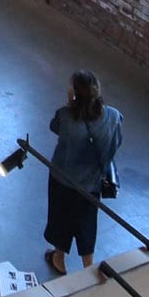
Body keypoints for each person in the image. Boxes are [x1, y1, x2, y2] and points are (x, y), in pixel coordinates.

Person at [44, 70, 123, 275]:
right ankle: (89, 268)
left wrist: (70, 105)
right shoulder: (113, 117)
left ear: (74, 94)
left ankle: (59, 258)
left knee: (61, 218)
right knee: (87, 223)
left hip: (63, 179)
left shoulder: (65, 117)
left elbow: (55, 127)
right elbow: (116, 144)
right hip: (92, 184)